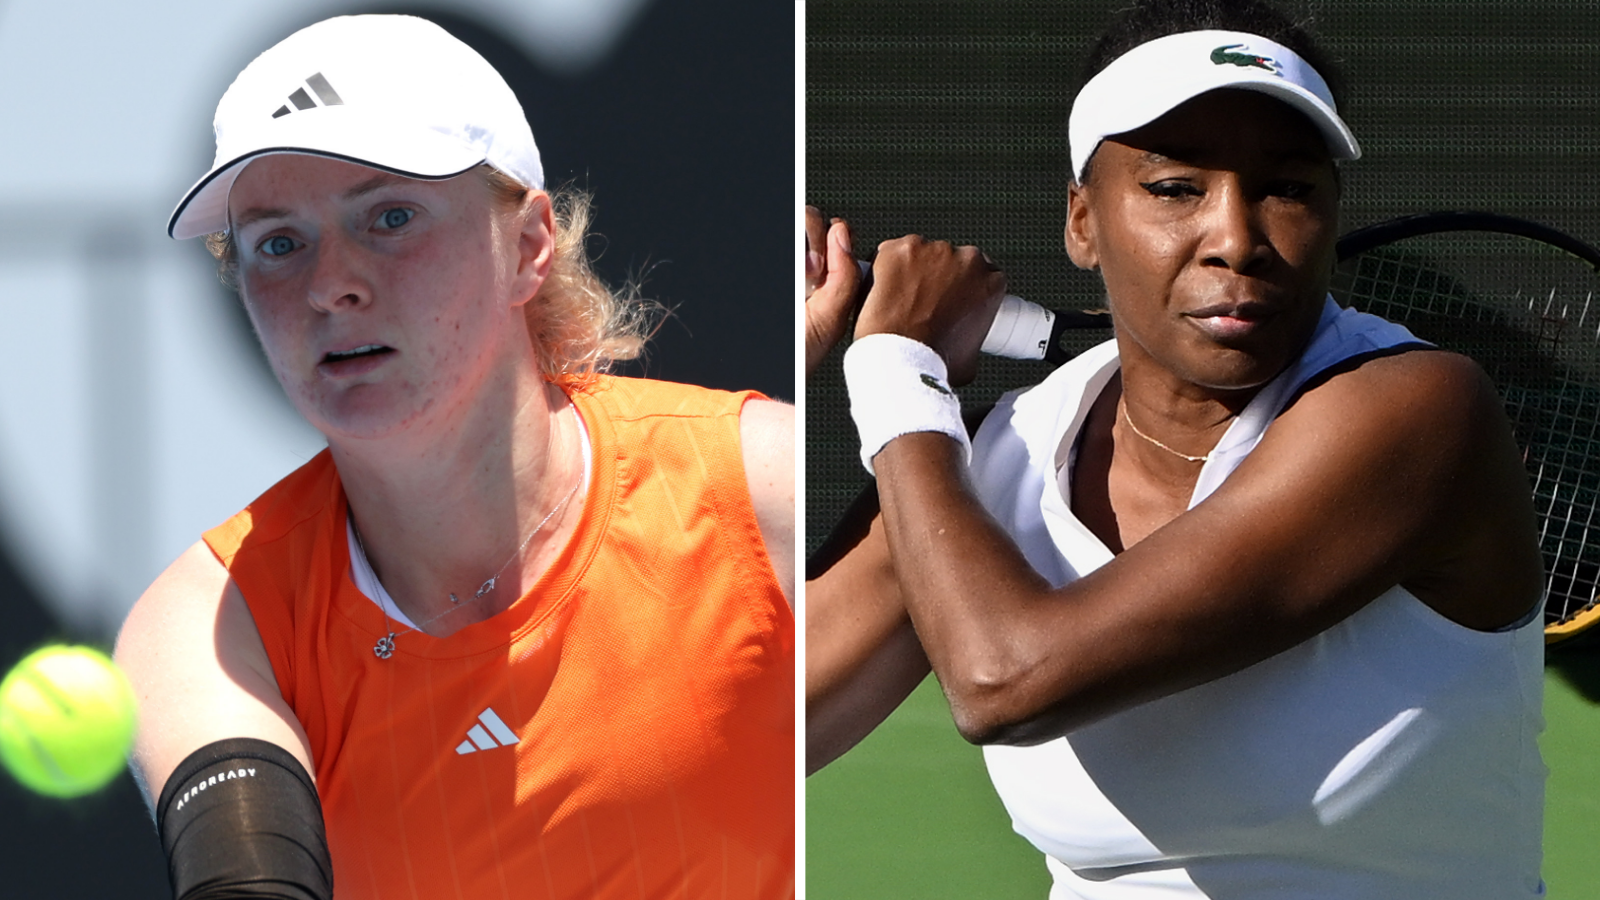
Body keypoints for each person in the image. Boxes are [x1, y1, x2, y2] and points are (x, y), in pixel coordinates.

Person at [805, 0, 1545, 897]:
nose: (1237, 238)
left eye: (1289, 188)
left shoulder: (1416, 410)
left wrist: (895, 368)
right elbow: (758, 736)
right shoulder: (1000, 455)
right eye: (1174, 188)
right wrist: (772, 381)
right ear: (1082, 221)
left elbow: (1006, 679)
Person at [114, 15, 794, 900]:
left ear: (527, 247)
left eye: (390, 217)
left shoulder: (757, 482)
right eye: (278, 244)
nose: (330, 284)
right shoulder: (210, 623)